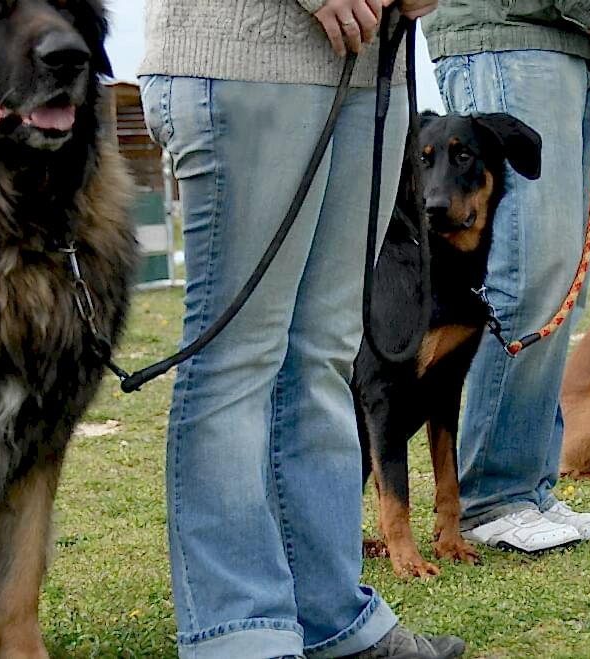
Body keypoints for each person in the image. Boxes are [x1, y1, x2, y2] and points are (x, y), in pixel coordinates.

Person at [139, 1, 464, 657]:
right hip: (245, 54)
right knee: (238, 358)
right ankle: (237, 630)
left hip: (372, 71)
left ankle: (329, 614)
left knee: (324, 356)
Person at [421, 0, 590, 552]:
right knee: (526, 274)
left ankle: (526, 487)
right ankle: (491, 497)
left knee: (558, 281)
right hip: (508, 33)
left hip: (565, 40)